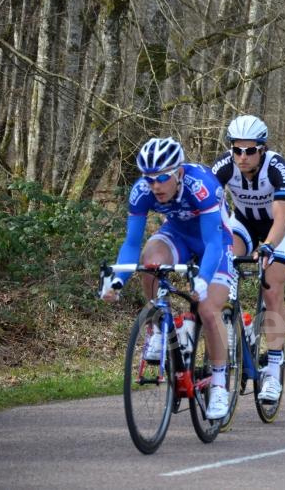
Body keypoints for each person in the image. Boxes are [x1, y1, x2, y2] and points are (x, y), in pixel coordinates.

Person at [101, 137, 235, 420]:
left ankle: (220, 384)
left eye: (162, 178)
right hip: (178, 235)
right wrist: (117, 281)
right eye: (149, 179)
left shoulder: (203, 186)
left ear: (178, 172)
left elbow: (212, 242)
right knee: (151, 259)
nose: (155, 186)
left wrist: (203, 279)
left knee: (208, 310)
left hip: (214, 242)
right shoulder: (142, 191)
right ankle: (158, 329)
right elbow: (131, 243)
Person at [212, 115, 285, 402]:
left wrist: (270, 245)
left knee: (271, 289)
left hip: (277, 228)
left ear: (262, 149)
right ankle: (234, 320)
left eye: (249, 150)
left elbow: (283, 218)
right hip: (243, 222)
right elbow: (209, 208)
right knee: (224, 269)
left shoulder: (278, 168)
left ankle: (273, 369)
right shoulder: (224, 166)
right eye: (237, 150)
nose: (242, 156)